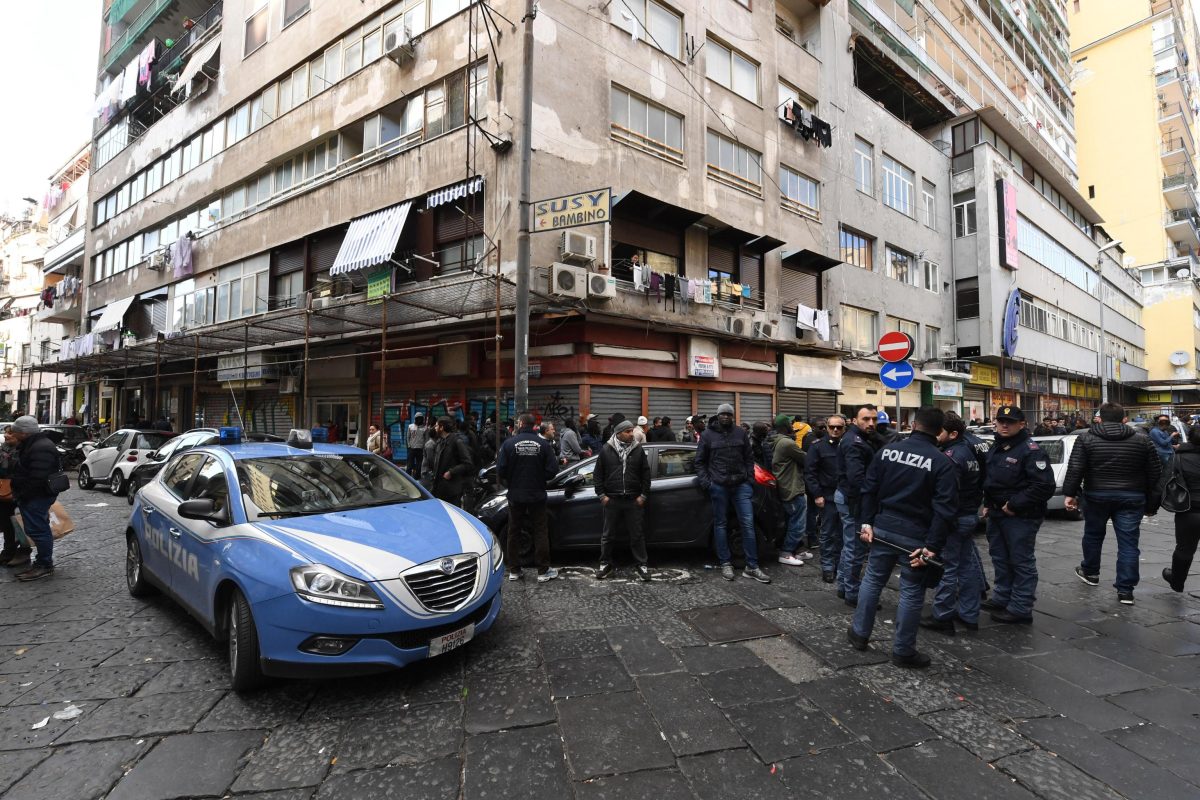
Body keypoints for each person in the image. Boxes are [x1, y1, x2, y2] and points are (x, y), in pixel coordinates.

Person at [848, 407, 957, 669]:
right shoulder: (942, 462)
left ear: (915, 425)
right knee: (911, 591)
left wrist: (866, 523)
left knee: (872, 580)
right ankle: (903, 651)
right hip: (915, 536)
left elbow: (869, 488)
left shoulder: (888, 451)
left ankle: (859, 634)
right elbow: (945, 510)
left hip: (883, 528)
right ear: (939, 431)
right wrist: (932, 547)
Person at [1063, 402, 1162, 605]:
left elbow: (1075, 468)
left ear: (1099, 418)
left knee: (1093, 534)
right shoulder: (1142, 440)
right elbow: (1155, 473)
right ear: (1124, 419)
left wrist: (1070, 494)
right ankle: (1126, 590)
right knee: (1129, 543)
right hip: (1132, 497)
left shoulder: (1086, 438)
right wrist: (1152, 503)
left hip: (1096, 495)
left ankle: (1090, 572)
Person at [982, 406, 1056, 623]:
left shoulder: (1031, 451)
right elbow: (992, 480)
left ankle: (1021, 608)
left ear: (1022, 424)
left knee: (1021, 561)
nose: (1004, 425)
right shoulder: (998, 446)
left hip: (1021, 516)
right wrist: (987, 503)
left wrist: (1014, 505)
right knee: (1000, 557)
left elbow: (1044, 486)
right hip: (997, 513)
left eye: (1010, 422)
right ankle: (1002, 597)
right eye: (1001, 421)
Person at [922, 412, 985, 635]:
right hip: (967, 515)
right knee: (966, 566)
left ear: (953, 434)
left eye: (940, 431)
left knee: (947, 567)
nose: (935, 434)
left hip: (955, 518)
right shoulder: (966, 451)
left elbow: (947, 495)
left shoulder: (950, 457)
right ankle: (969, 613)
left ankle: (942, 615)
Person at [696, 403, 769, 583]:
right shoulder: (707, 435)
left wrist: (749, 480)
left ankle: (752, 566)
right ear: (718, 416)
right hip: (719, 486)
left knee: (748, 524)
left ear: (733, 416)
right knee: (720, 524)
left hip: (741, 485)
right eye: (723, 414)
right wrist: (708, 484)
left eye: (729, 414)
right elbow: (699, 462)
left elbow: (749, 458)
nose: (726, 417)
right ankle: (725, 563)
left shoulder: (740, 433)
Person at [496, 413, 560, 583]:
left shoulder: (509, 444)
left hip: (515, 494)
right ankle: (543, 570)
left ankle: (514, 570)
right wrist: (539, 478)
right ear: (534, 425)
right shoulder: (543, 444)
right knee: (540, 531)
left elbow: (501, 470)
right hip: (537, 494)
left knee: (513, 531)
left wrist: (513, 479)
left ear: (521, 423)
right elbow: (553, 470)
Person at [835, 405, 886, 606]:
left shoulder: (862, 438)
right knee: (855, 549)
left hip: (848, 497)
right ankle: (852, 593)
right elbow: (857, 479)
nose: (871, 423)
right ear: (854, 421)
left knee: (850, 546)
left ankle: (843, 586)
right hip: (853, 499)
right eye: (866, 419)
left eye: (874, 419)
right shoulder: (855, 442)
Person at [594, 419, 653, 581]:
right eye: (628, 431)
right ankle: (605, 564)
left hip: (633, 499)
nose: (631, 434)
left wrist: (643, 495)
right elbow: (597, 475)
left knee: (637, 534)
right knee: (608, 535)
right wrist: (602, 496)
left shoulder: (638, 449)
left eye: (632, 430)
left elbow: (646, 474)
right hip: (612, 499)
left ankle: (641, 564)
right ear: (618, 433)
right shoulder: (606, 449)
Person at [8, 415, 62, 581]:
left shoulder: (40, 447)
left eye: (15, 431)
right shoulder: (33, 444)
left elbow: (37, 478)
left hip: (36, 496)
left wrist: (23, 495)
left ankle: (44, 564)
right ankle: (42, 563)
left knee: (39, 530)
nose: (12, 434)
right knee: (36, 529)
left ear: (24, 433)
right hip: (33, 495)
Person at [805, 414, 845, 583]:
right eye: (832, 427)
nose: (835, 430)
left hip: (846, 497)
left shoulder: (848, 445)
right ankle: (828, 567)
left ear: (844, 428)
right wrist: (817, 494)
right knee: (828, 533)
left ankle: (840, 566)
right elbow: (810, 473)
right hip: (827, 497)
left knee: (843, 535)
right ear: (827, 428)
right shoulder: (817, 446)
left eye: (839, 427)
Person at [1163, 424, 1200, 592]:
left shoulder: (1179, 456)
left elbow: (1164, 481)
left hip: (1189, 509)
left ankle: (1177, 581)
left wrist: (1151, 506)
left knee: (1185, 547)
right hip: (1190, 509)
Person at [771, 414, 809, 567]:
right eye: (790, 423)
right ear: (785, 426)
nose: (793, 426)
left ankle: (796, 550)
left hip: (784, 486)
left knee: (791, 521)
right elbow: (806, 458)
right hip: (792, 487)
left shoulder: (777, 440)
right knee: (798, 522)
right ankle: (786, 552)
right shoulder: (787, 443)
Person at [0, 426, 31, 568]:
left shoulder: (24, 450)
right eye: (6, 432)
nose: (6, 435)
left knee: (21, 522)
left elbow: (20, 469)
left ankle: (24, 551)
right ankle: (8, 550)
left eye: (10, 433)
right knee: (6, 522)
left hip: (20, 490)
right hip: (4, 490)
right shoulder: (3, 448)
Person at [431, 417, 474, 507]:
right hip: (439, 488)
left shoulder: (457, 441)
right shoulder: (440, 442)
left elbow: (467, 463)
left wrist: (451, 472)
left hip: (451, 491)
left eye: (437, 426)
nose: (435, 428)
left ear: (442, 427)